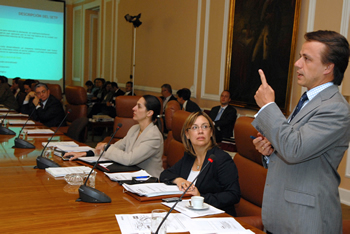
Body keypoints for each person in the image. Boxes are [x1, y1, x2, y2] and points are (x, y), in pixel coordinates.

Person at [252, 30, 350, 233]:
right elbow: (294, 148)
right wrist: (271, 154)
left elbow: (293, 149)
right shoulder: (308, 101)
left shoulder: (335, 108)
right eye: (300, 56)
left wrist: (268, 107)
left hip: (306, 221)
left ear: (328, 67)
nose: (297, 63)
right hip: (284, 215)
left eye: (306, 58)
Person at [160, 111, 240, 216]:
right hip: (187, 213)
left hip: (214, 218)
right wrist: (179, 180)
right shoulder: (189, 157)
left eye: (205, 127)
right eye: (195, 127)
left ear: (211, 132)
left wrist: (200, 197)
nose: (200, 131)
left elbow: (233, 195)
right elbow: (164, 175)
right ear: (187, 134)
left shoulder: (221, 159)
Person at [64, 95, 164, 178]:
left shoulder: (153, 136)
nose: (134, 108)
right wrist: (87, 153)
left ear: (149, 113)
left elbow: (129, 159)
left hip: (149, 181)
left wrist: (106, 147)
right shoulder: (135, 129)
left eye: (139, 106)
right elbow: (116, 147)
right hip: (131, 176)